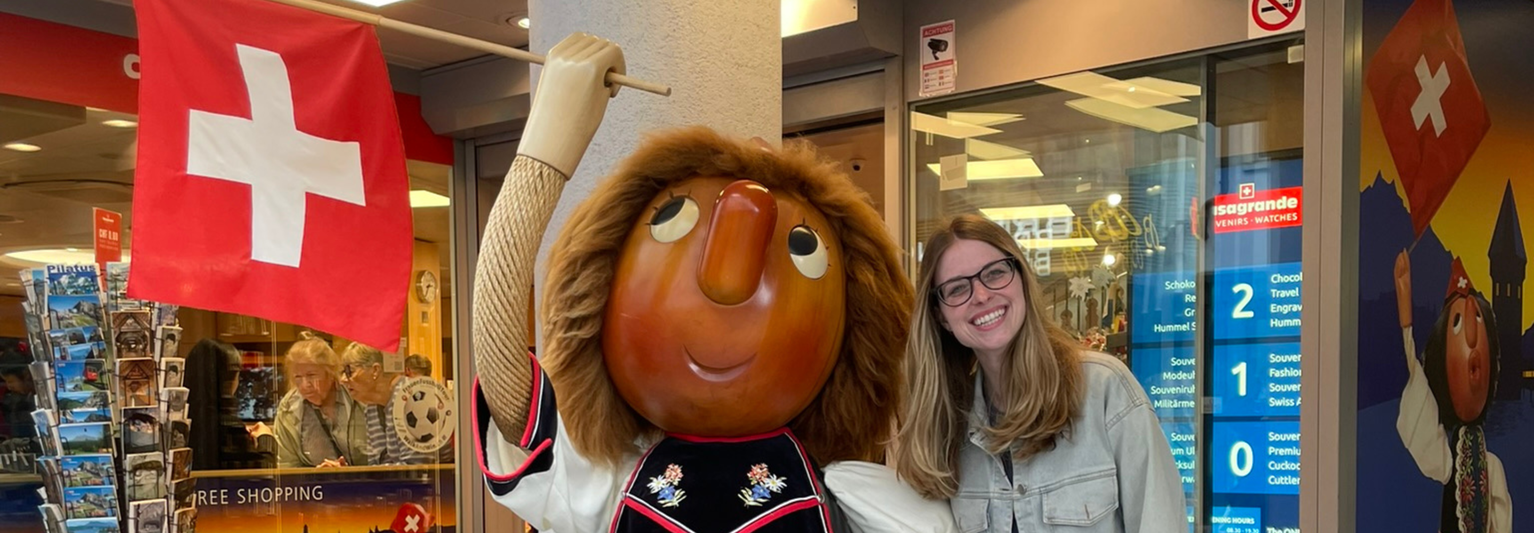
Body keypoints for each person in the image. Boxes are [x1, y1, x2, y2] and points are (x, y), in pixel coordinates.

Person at [893, 214, 1185, 533]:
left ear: (1022, 278)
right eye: (957, 288)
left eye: (994, 273)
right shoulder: (946, 428)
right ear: (941, 316)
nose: (980, 295)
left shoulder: (1105, 391)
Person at [339, 343, 450, 465]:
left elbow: (416, 469)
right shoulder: (372, 407)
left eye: (349, 371)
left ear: (375, 370)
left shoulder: (412, 397)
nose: (343, 379)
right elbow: (378, 466)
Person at [273, 332, 370, 468]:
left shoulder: (358, 395)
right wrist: (317, 476)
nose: (305, 385)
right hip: (313, 487)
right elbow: (287, 468)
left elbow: (382, 459)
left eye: (311, 375)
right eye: (298, 377)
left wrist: (349, 472)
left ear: (330, 373)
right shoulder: (288, 408)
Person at [184, 338, 275, 470]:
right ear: (229, 379)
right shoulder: (227, 425)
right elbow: (265, 474)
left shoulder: (181, 418)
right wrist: (265, 437)